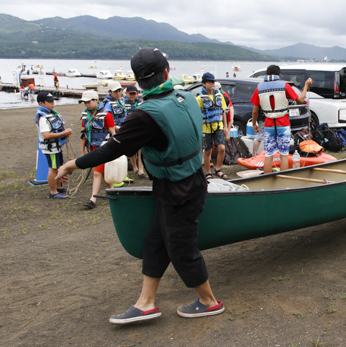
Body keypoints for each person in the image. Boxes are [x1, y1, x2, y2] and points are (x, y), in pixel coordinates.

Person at [56, 47, 223, 325]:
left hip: (178, 191)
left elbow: (108, 151)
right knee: (155, 242)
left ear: (135, 81)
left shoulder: (144, 115)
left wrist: (72, 163)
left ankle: (209, 302)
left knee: (181, 248)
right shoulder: (187, 96)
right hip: (193, 180)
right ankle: (145, 303)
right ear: (167, 72)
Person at [251, 65, 311, 173]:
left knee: (268, 155)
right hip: (283, 123)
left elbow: (255, 111)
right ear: (279, 75)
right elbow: (301, 100)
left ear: (266, 75)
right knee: (284, 155)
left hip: (268, 123)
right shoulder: (285, 85)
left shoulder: (259, 88)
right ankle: (283, 181)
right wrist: (306, 85)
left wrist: (254, 123)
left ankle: (268, 181)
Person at [79, 90, 116, 209]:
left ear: (96, 100)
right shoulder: (84, 114)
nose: (86, 104)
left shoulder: (107, 114)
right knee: (104, 172)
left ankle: (93, 199)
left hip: (104, 148)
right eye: (84, 102)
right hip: (92, 148)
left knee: (97, 172)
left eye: (88, 102)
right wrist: (82, 151)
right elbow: (83, 134)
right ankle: (113, 192)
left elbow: (113, 132)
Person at [35, 91, 73, 199]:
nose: (52, 103)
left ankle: (58, 187)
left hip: (56, 146)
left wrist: (64, 132)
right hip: (51, 148)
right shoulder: (43, 117)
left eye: (53, 101)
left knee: (58, 167)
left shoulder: (51, 114)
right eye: (49, 102)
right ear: (41, 103)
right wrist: (64, 133)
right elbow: (46, 135)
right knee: (53, 168)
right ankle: (53, 192)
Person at [196, 73, 229, 179]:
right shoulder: (199, 98)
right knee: (208, 150)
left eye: (213, 82)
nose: (212, 84)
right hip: (206, 127)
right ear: (203, 84)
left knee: (222, 148)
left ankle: (218, 168)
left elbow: (223, 111)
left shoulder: (220, 95)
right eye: (209, 82)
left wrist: (225, 126)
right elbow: (196, 113)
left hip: (218, 126)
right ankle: (208, 172)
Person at [123, 85, 148, 179]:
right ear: (127, 94)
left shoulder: (141, 103)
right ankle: (134, 168)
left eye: (134, 94)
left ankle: (141, 169)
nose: (132, 95)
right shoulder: (123, 103)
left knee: (140, 149)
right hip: (129, 128)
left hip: (140, 128)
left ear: (137, 94)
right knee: (131, 149)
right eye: (130, 94)